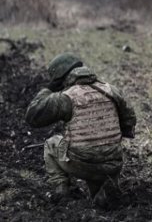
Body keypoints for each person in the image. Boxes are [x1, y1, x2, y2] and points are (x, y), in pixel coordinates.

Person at [25, 53, 136, 208]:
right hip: (113, 164)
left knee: (51, 145)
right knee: (99, 157)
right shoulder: (111, 89)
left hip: (82, 163)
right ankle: (104, 191)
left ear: (60, 79)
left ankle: (62, 190)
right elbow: (130, 121)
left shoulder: (65, 97)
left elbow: (32, 116)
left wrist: (49, 89)